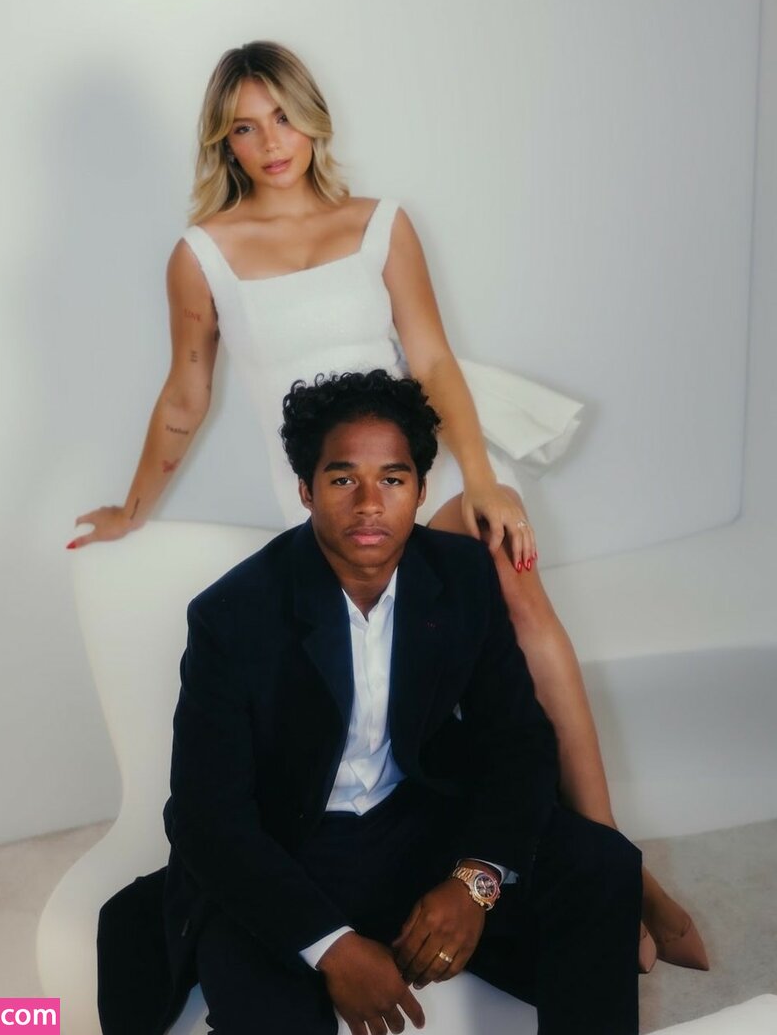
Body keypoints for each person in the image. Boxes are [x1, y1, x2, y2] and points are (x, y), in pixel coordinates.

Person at [74, 40, 705, 971]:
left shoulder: (379, 224)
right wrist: (132, 507)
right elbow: (185, 394)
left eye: (282, 118)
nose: (270, 143)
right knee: (415, 671)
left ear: (311, 118)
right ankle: (519, 859)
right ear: (223, 143)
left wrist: (480, 480)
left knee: (516, 587)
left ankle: (613, 860)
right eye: (244, 128)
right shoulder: (202, 254)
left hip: (424, 465)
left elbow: (431, 358)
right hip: (333, 491)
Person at [98, 370, 642, 1035]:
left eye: (391, 479)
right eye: (341, 479)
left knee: (603, 867)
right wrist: (330, 946)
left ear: (420, 489)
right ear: (306, 490)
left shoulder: (461, 575)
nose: (368, 504)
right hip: (285, 849)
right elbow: (206, 815)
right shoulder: (232, 616)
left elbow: (517, 740)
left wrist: (474, 880)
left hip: (414, 824)